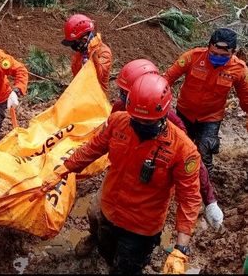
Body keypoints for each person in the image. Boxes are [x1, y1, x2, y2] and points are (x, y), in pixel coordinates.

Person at [43, 74, 202, 274]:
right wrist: (64, 170)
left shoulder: (183, 150)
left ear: (164, 115)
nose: (139, 125)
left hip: (141, 229)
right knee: (106, 252)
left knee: (126, 269)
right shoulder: (119, 122)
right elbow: (92, 149)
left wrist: (181, 248)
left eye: (147, 122)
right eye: (136, 119)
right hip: (109, 212)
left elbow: (189, 199)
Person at [112, 59, 223, 230]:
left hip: (151, 183)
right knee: (99, 213)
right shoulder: (119, 108)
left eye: (127, 95)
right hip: (121, 175)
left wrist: (209, 200)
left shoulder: (172, 124)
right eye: (123, 93)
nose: (125, 99)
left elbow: (191, 161)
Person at [163, 27, 248, 175]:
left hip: (211, 117)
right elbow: (168, 78)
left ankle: (203, 185)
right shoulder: (192, 57)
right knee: (180, 148)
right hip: (185, 112)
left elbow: (246, 97)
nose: (218, 57)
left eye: (224, 55)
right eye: (214, 53)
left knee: (204, 151)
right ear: (208, 46)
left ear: (233, 53)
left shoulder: (239, 70)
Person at [61, 14, 112, 96]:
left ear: (84, 39)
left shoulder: (103, 52)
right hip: (82, 96)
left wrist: (92, 55)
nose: (73, 46)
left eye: (74, 42)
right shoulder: (79, 54)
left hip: (98, 99)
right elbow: (76, 79)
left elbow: (100, 75)